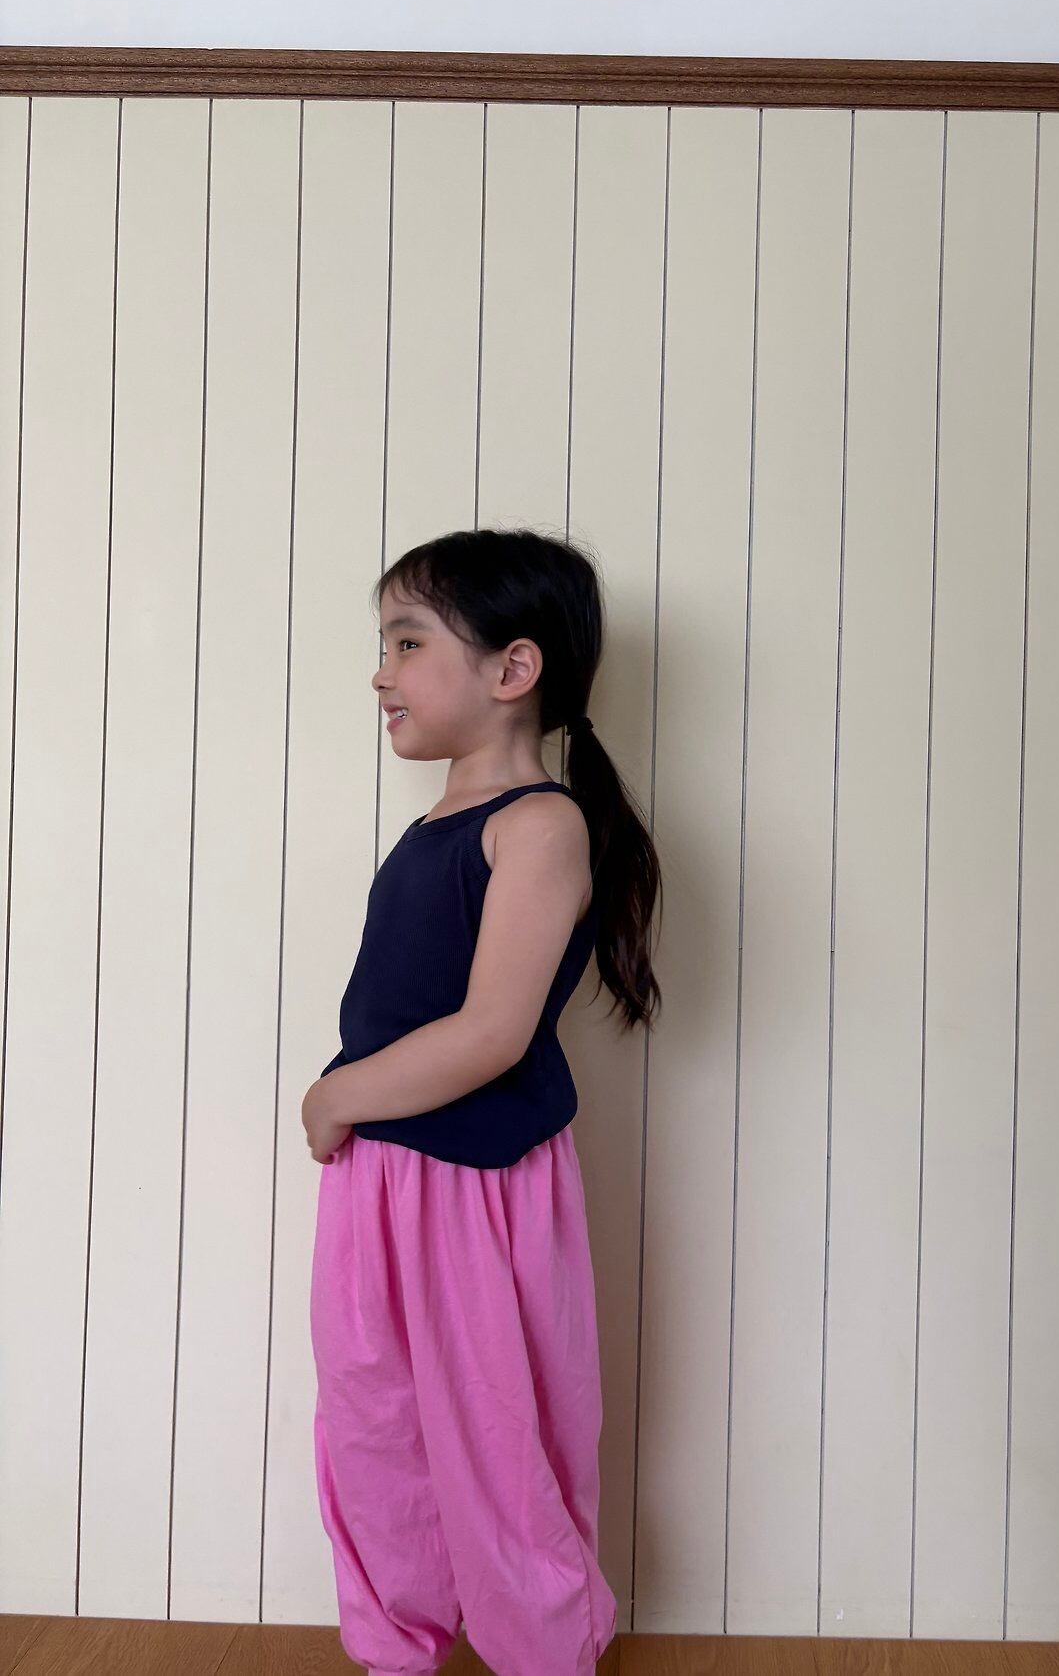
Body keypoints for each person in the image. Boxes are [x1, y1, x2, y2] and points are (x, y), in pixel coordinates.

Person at [303, 527, 663, 1676]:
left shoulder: (538, 825)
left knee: (493, 1435)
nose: (381, 673)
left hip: (472, 1183)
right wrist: (356, 1121)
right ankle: (396, 1646)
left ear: (513, 668)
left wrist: (334, 1095)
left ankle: (541, 1651)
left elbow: (492, 1030)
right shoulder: (434, 827)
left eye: (407, 643)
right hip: (380, 1177)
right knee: (375, 1421)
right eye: (383, 646)